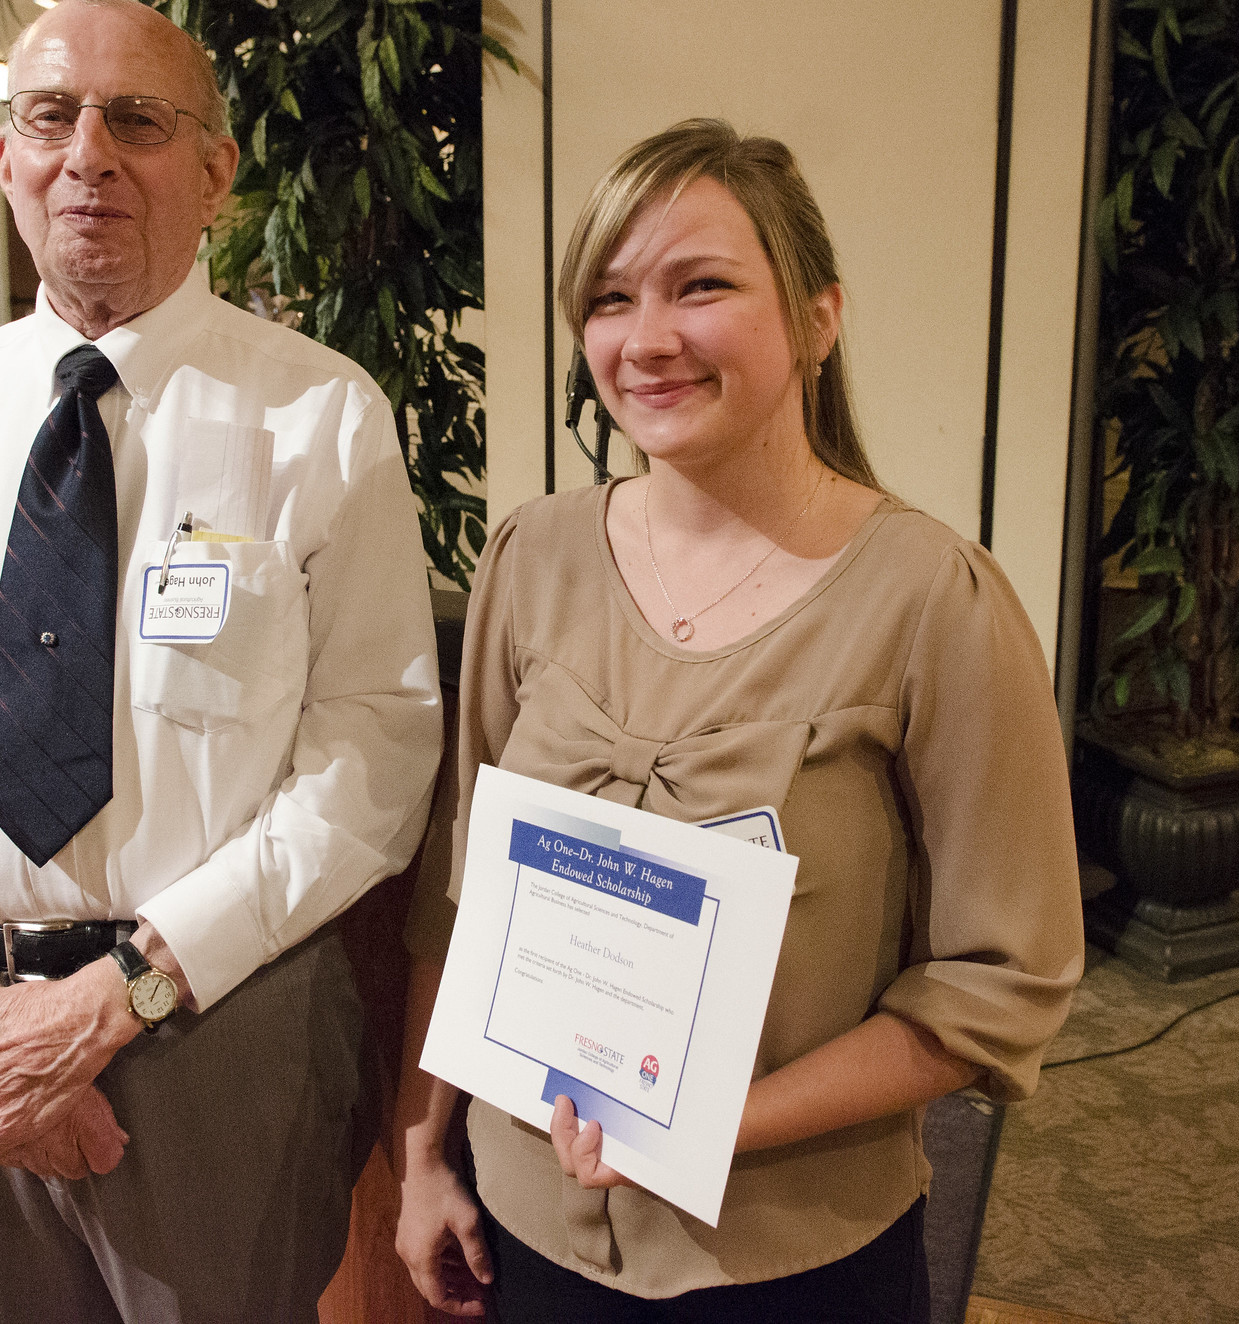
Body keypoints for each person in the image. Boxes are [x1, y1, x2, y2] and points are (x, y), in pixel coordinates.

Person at [0, 0, 443, 1324]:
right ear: (7, 158)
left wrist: (114, 1001)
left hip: (217, 1030)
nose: (89, 154)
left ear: (217, 172)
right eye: (50, 117)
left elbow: (374, 755)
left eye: (137, 119)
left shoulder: (320, 419)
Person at [391, 119, 1085, 1323]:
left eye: (699, 286)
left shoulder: (933, 600)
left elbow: (997, 985)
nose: (645, 338)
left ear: (818, 317)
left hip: (782, 1256)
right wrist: (422, 1156)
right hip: (522, 1226)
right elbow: (462, 900)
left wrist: (702, 1122)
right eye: (608, 299)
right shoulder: (532, 556)